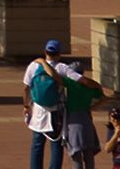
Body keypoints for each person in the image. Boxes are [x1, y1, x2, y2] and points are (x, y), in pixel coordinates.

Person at [24, 39, 81, 169]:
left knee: (37, 145)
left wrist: (26, 105)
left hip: (38, 111)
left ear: (45, 52)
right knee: (56, 145)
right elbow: (79, 80)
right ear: (59, 53)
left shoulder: (33, 66)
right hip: (56, 112)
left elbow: (26, 87)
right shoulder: (62, 68)